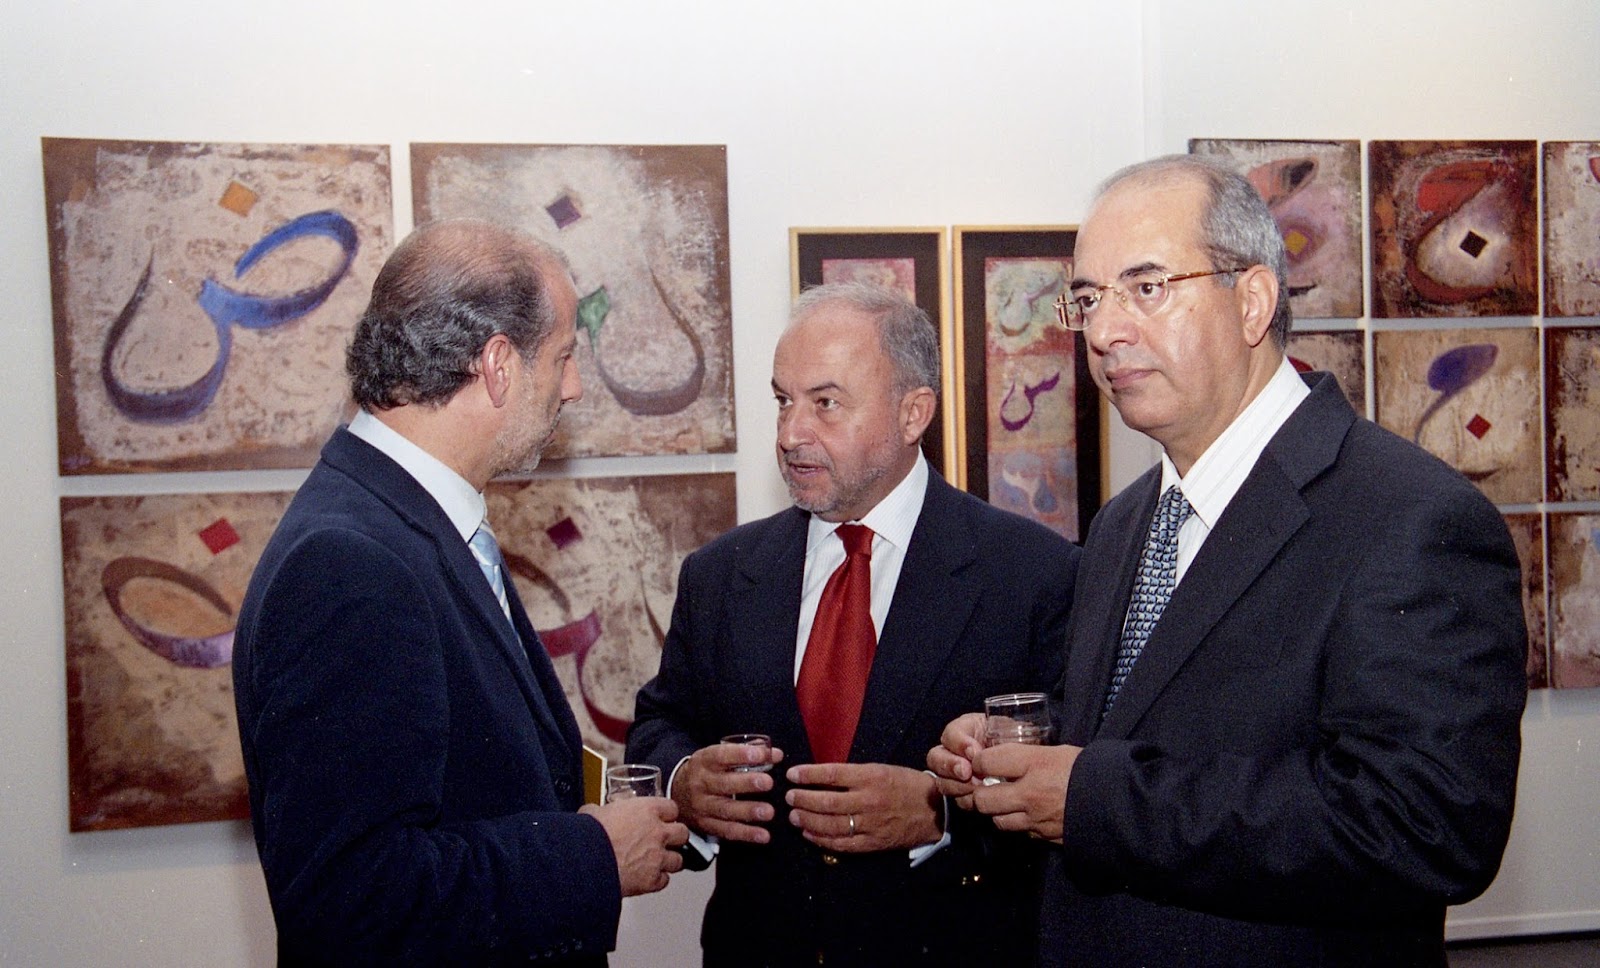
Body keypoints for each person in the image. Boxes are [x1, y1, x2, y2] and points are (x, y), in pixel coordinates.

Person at [929, 155, 1528, 967]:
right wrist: (1019, 759)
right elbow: (1150, 723)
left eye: (1146, 288)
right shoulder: (1123, 523)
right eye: (1089, 298)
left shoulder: (1410, 517)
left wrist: (1093, 799)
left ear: (1252, 301)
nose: (1102, 333)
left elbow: (1428, 826)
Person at [233, 219, 688, 966]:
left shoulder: (410, 520)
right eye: (564, 356)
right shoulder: (350, 563)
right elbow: (348, 900)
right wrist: (591, 856)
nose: (573, 387)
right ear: (499, 364)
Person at [626, 282, 1080, 967]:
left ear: (912, 413)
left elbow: (1074, 784)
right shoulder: (720, 574)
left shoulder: (1033, 573)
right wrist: (686, 781)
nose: (790, 435)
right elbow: (660, 725)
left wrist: (941, 813)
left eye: (826, 403)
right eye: (783, 401)